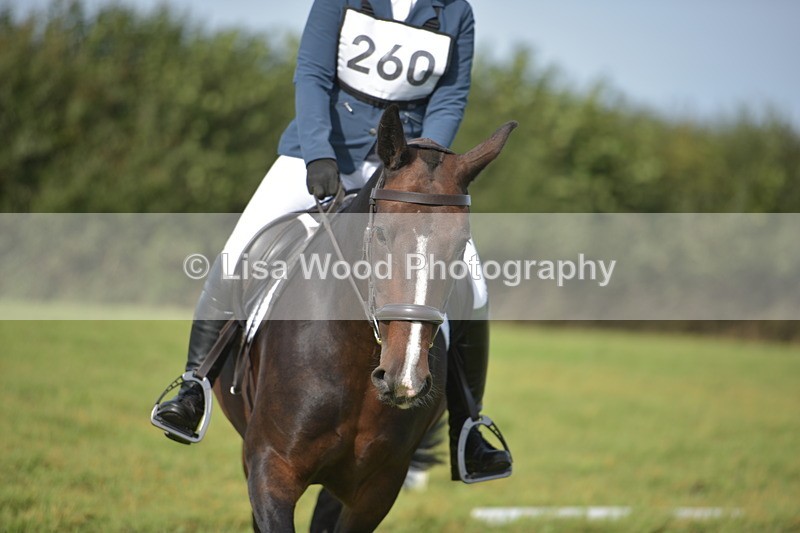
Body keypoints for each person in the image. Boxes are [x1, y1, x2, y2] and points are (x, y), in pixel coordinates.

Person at [154, 0, 511, 481]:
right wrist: (317, 152)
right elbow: (313, 74)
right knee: (238, 252)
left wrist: (422, 168)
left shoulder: (455, 12)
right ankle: (193, 384)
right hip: (320, 154)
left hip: (406, 171)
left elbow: (449, 99)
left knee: (476, 284)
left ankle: (468, 428)